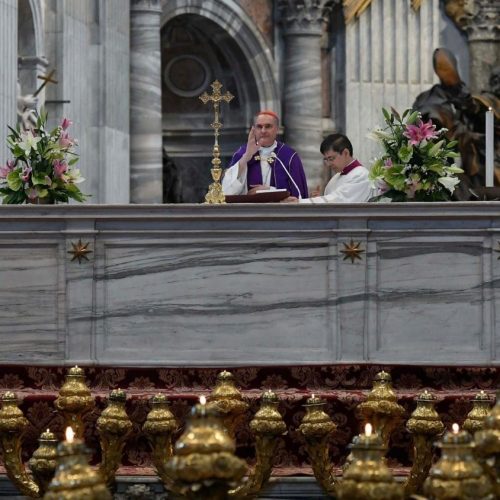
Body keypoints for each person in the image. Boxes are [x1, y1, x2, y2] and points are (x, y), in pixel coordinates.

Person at [222, 110, 308, 198]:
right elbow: (227, 192)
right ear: (254, 130)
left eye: (268, 126)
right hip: (250, 207)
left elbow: (299, 194)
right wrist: (247, 156)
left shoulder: (289, 156)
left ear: (277, 129)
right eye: (259, 127)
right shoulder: (242, 153)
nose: (263, 131)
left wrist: (269, 190)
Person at [282, 133, 372, 203]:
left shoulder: (361, 175)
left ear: (345, 153)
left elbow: (338, 201)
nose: (328, 164)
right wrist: (317, 199)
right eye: (326, 159)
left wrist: (301, 202)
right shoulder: (336, 177)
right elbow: (331, 202)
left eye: (331, 158)